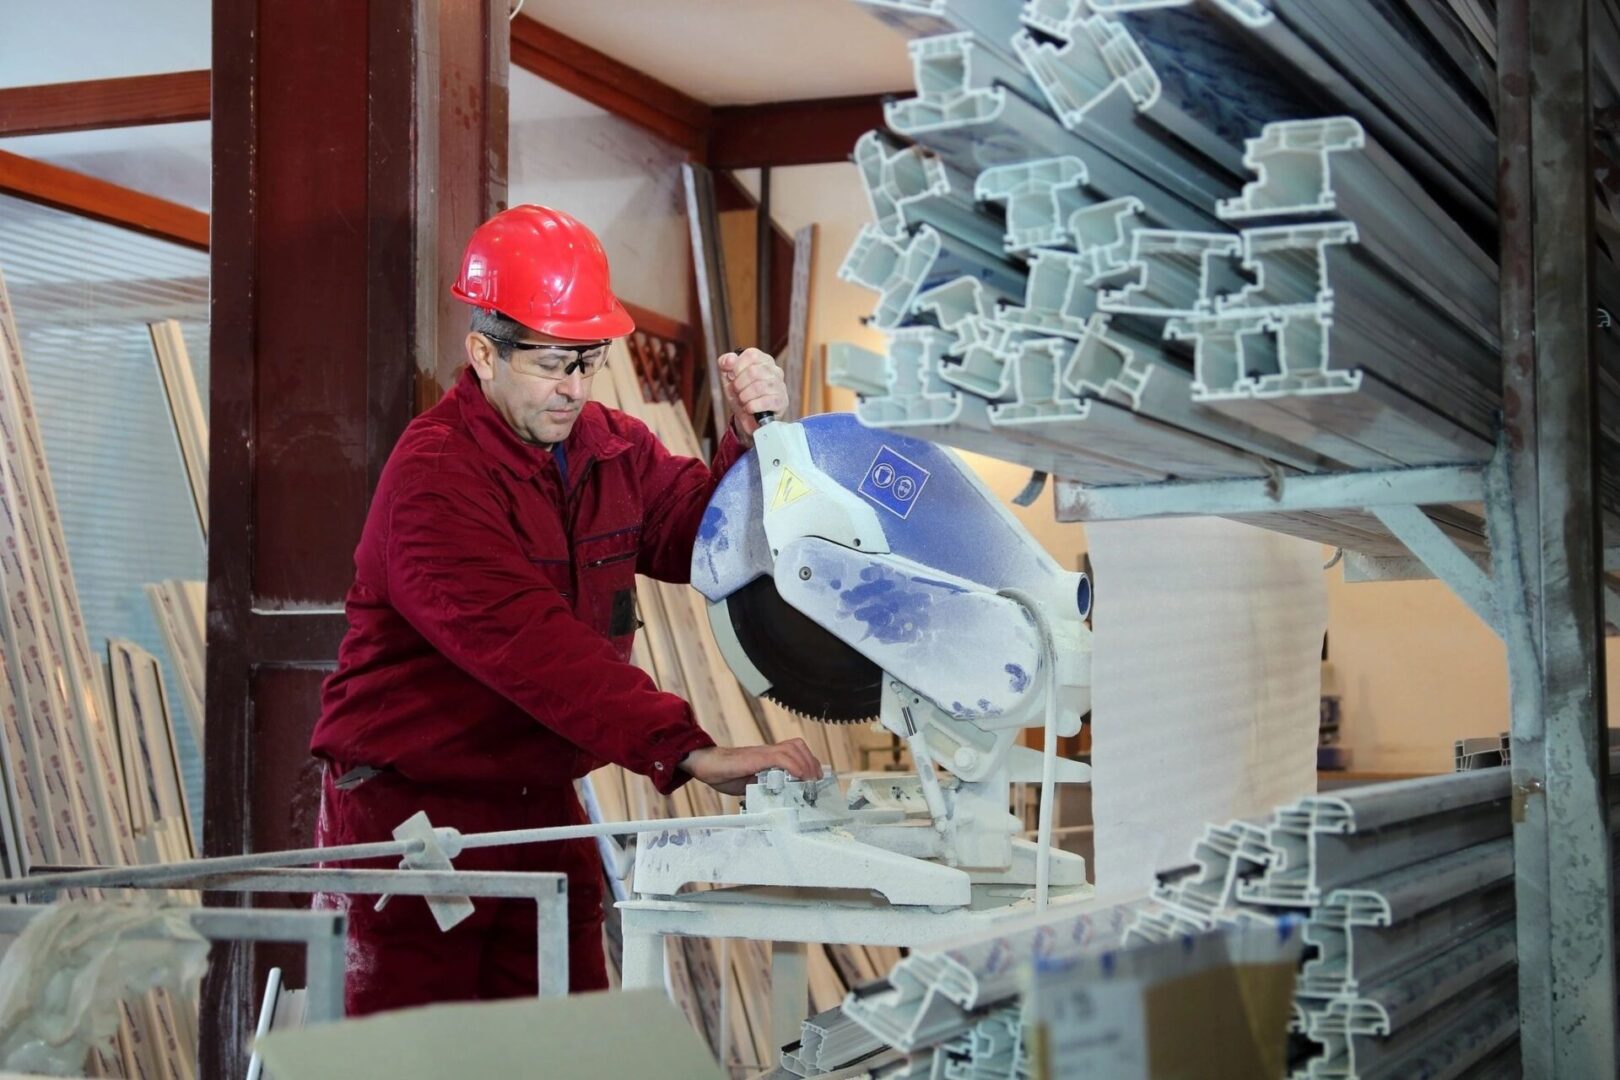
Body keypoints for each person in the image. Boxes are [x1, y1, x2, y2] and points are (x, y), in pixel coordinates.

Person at [308, 204, 822, 1016]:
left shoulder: (609, 447)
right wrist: (687, 750)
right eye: (553, 362)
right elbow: (529, 643)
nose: (574, 388)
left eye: (588, 361)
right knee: (407, 1063)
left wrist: (754, 440)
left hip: (539, 803)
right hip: (412, 817)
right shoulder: (434, 478)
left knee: (563, 1044)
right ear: (484, 352)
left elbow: (704, 539)